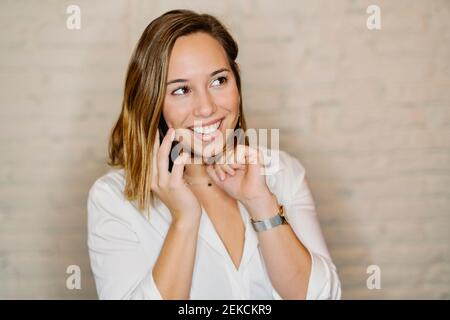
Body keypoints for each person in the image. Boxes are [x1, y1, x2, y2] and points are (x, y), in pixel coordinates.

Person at [87, 9, 341, 300]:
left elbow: (323, 297)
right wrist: (184, 219)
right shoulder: (113, 198)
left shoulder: (282, 171)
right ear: (153, 103)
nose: (206, 108)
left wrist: (261, 204)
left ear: (237, 83)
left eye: (218, 81)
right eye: (181, 90)